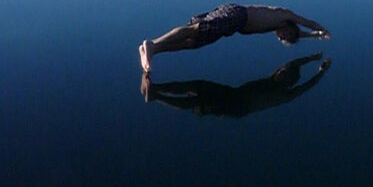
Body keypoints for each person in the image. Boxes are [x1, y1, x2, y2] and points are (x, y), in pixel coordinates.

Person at [139, 3, 330, 73]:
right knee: (196, 29)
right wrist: (321, 28)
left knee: (194, 43)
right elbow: (304, 22)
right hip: (237, 14)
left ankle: (155, 51)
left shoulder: (273, 27)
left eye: (283, 39)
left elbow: (299, 34)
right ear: (290, 27)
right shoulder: (282, 15)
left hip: (233, 25)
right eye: (286, 35)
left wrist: (314, 36)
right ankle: (153, 44)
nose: (281, 37)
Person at [140, 53, 331, 116]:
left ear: (287, 80)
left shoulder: (284, 94)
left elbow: (307, 86)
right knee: (196, 85)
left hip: (237, 106)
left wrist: (321, 72)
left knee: (195, 102)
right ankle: (157, 88)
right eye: (281, 71)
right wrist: (314, 58)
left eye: (282, 74)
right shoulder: (275, 80)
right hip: (234, 94)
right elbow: (293, 64)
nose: (279, 72)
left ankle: (156, 95)